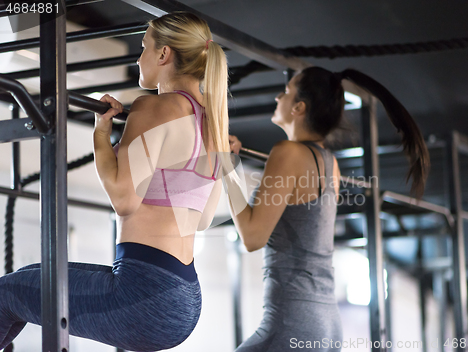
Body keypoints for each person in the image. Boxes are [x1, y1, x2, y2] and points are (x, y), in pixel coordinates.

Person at [0, 11, 230, 351]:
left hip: (144, 297)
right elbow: (205, 219)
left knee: (7, 292)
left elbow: (124, 200)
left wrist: (101, 132)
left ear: (164, 54)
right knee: (28, 279)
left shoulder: (155, 108)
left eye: (143, 48)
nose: (139, 59)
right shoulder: (212, 125)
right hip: (184, 300)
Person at [223, 67, 430, 351]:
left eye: (285, 92)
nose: (276, 97)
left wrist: (226, 167)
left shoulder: (288, 152)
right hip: (326, 324)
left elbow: (252, 236)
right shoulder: (329, 161)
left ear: (298, 107)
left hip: (293, 322)